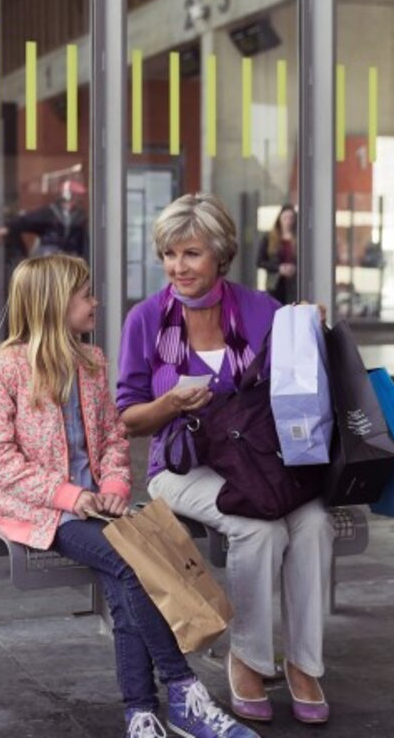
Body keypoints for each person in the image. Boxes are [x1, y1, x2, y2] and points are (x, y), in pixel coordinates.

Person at [0, 254, 258, 738]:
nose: (94, 302)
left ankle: (142, 714)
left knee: (125, 582)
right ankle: (184, 692)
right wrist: (70, 496)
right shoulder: (1, 371)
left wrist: (114, 487)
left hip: (97, 506)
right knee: (131, 564)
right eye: (84, 294)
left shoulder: (91, 361)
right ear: (53, 303)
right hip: (40, 511)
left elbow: (112, 438)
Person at [117, 193, 333, 727]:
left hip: (262, 461)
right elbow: (127, 417)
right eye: (168, 254)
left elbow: (300, 378)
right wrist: (170, 403)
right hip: (180, 468)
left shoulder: (262, 309)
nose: (177, 267)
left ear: (219, 255)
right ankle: (250, 660)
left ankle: (306, 664)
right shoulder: (146, 319)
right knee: (258, 529)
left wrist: (312, 328)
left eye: (190, 254)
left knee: (314, 522)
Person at [0, 179, 88, 258]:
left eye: (79, 197)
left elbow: (83, 241)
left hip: (71, 256)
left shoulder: (80, 216)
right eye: (75, 196)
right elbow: (26, 221)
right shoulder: (50, 212)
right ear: (67, 195)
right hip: (49, 255)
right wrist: (4, 230)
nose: (77, 200)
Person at [255, 204, 297, 305]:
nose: (288, 221)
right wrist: (279, 268)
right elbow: (260, 261)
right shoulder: (269, 238)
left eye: (291, 218)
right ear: (279, 219)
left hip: (294, 284)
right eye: (285, 218)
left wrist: (295, 268)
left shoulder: (298, 238)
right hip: (275, 284)